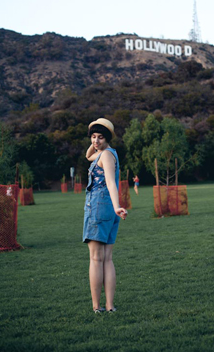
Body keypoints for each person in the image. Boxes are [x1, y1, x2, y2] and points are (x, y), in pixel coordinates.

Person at [83, 118, 128, 313]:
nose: (95, 141)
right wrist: (96, 142)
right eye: (93, 137)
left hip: (100, 207)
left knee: (96, 259)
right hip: (108, 209)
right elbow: (88, 156)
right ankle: (109, 306)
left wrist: (117, 206)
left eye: (100, 137)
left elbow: (110, 183)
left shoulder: (106, 156)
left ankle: (97, 306)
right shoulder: (107, 153)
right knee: (107, 259)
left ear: (107, 138)